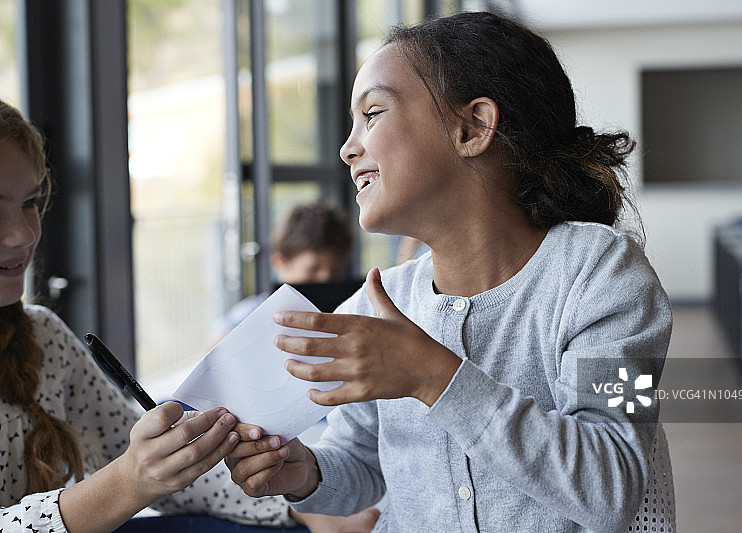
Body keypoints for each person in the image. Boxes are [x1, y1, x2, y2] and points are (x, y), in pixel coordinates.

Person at [225, 11, 675, 533]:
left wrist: (433, 376)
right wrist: (306, 472)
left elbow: (613, 485)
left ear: (472, 127)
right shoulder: (381, 301)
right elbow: (360, 464)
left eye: (372, 113)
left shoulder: (604, 276)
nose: (347, 149)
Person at [0, 98, 378, 533]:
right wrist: (128, 481)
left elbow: (166, 468)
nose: (23, 234)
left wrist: (298, 508)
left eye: (30, 202)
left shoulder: (44, 337)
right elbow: (136, 473)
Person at [209, 199, 354, 343]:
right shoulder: (256, 310)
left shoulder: (348, 310)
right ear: (281, 261)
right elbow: (216, 344)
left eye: (336, 271)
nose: (326, 279)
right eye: (313, 269)